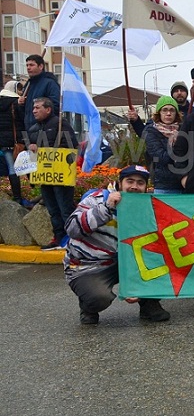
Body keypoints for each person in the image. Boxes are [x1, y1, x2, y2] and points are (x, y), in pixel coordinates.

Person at [64, 165, 170, 325]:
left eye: (140, 183)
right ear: (119, 183)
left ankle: (149, 303)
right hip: (89, 266)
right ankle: (88, 307)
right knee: (99, 297)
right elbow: (72, 228)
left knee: (165, 260)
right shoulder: (96, 198)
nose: (134, 186)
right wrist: (106, 208)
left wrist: (136, 285)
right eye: (130, 181)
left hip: (125, 262)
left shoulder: (147, 206)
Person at [27, 97, 78, 250]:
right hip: (45, 176)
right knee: (52, 210)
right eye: (33, 108)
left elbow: (72, 145)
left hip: (61, 176)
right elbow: (31, 156)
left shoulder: (60, 124)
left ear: (48, 109)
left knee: (65, 208)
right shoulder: (33, 129)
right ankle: (59, 237)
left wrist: (53, 149)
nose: (34, 110)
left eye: (38, 107)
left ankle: (73, 239)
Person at [142, 96, 183, 194]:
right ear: (159, 113)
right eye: (164, 110)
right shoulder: (151, 131)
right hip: (163, 185)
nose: (168, 113)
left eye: (172, 110)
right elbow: (161, 157)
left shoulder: (183, 129)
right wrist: (176, 144)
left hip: (182, 183)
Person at [0, 81, 26, 205]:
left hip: (3, 142)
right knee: (27, 167)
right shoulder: (15, 103)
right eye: (19, 89)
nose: (20, 92)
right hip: (17, 141)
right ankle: (34, 191)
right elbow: (21, 121)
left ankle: (17, 197)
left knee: (12, 168)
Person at [19, 54, 60, 133]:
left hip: (45, 129)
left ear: (41, 66)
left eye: (31, 65)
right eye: (27, 65)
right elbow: (25, 110)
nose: (28, 68)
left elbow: (55, 105)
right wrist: (21, 104)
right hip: (29, 129)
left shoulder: (49, 83)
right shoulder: (28, 84)